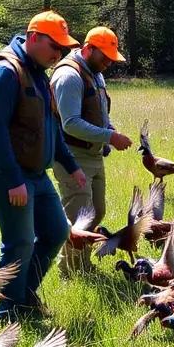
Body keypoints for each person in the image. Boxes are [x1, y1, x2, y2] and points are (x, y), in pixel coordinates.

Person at [0, 12, 87, 322]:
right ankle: (7, 313)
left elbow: (51, 129)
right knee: (19, 242)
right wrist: (13, 180)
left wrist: (72, 166)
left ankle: (23, 296)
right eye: (55, 47)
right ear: (34, 38)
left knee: (56, 231)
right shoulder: (5, 71)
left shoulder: (39, 72)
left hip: (36, 174)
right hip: (7, 173)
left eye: (63, 50)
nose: (58, 55)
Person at [50, 26, 132, 275]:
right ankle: (71, 272)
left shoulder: (95, 73)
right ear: (87, 49)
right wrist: (110, 136)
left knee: (96, 211)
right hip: (73, 156)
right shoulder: (69, 76)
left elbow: (97, 110)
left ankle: (83, 264)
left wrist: (108, 127)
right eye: (104, 56)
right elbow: (70, 123)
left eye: (111, 57)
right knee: (78, 218)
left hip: (94, 155)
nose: (108, 62)